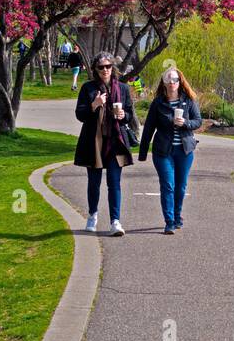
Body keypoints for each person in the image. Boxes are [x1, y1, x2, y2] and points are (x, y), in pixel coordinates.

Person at [73, 54, 137, 236]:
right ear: (95, 69)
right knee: (94, 183)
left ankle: (115, 221)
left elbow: (130, 115)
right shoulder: (88, 88)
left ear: (112, 67)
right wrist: (94, 104)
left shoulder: (123, 89)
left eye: (108, 66)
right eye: (101, 67)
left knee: (114, 183)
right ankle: (93, 215)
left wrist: (123, 116)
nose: (105, 70)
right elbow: (80, 115)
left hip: (115, 141)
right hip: (94, 142)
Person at [138, 67, 202, 234]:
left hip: (184, 151)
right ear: (164, 83)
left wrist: (185, 123)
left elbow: (198, 121)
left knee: (180, 187)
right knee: (168, 185)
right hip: (163, 152)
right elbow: (149, 128)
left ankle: (177, 216)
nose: (172, 83)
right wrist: (143, 152)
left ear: (179, 82)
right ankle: (169, 222)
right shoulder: (158, 103)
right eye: (169, 80)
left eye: (175, 80)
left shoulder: (188, 100)